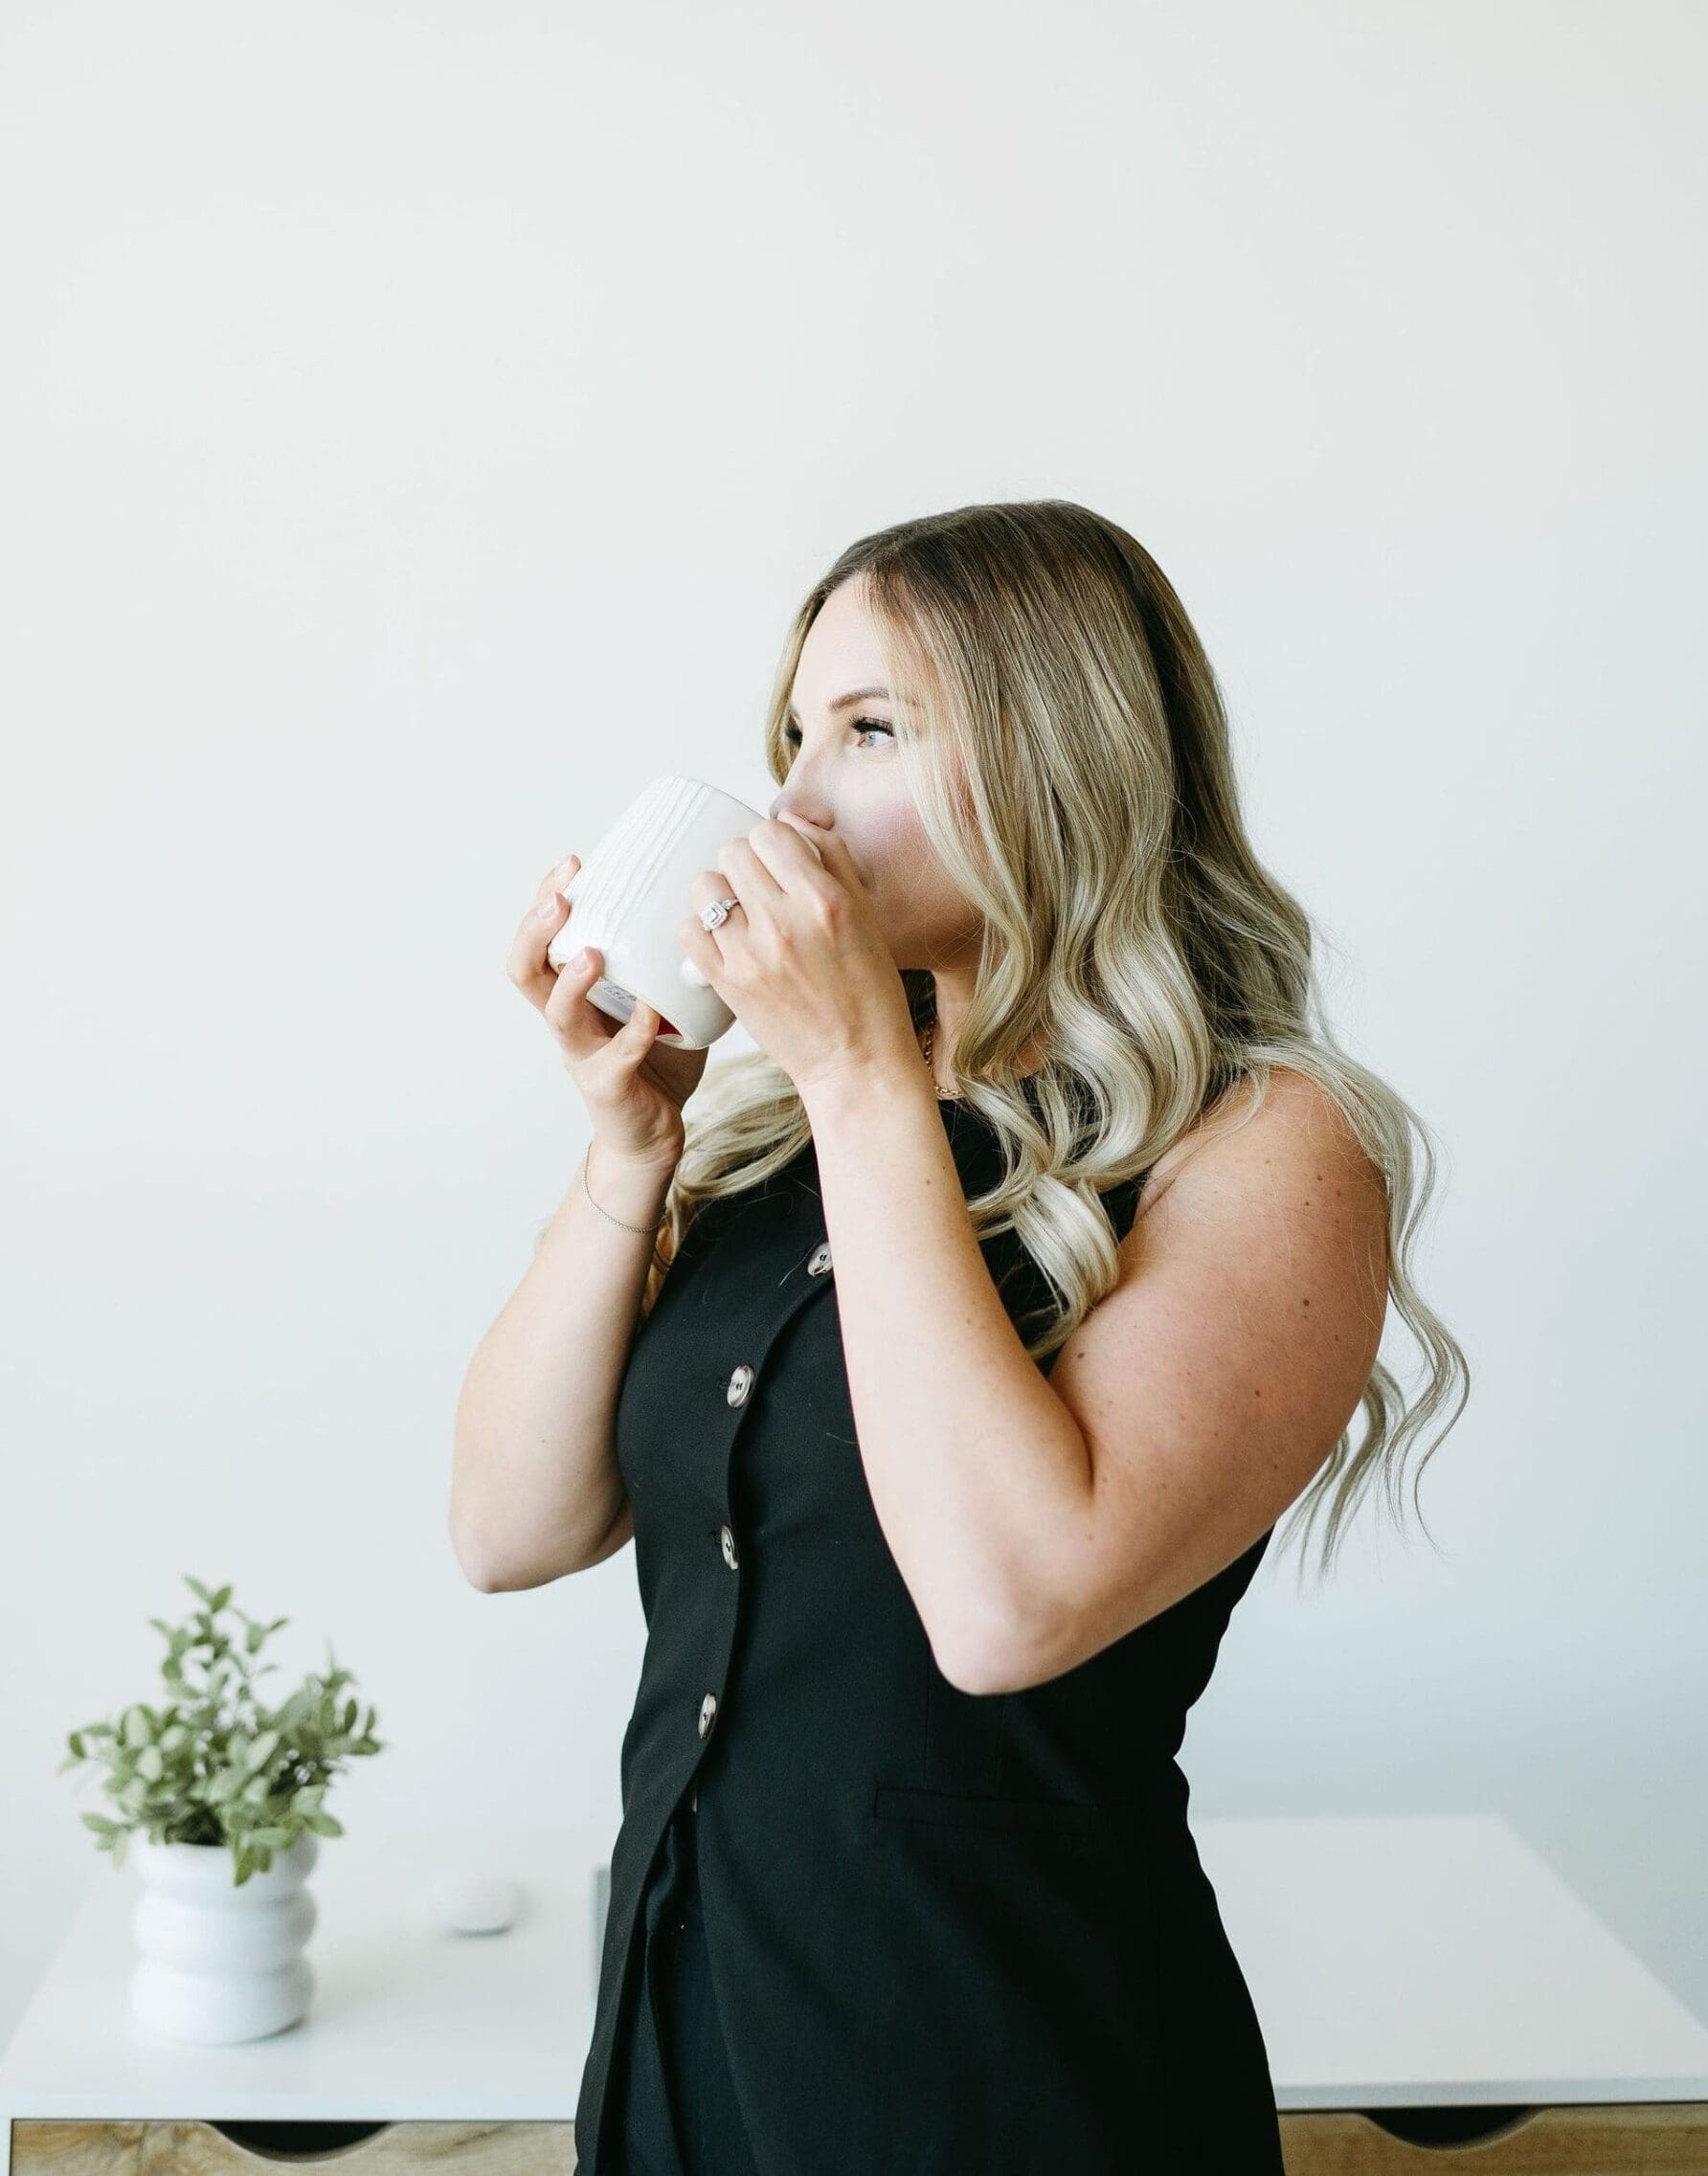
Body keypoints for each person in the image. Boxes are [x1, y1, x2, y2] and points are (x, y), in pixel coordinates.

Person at [458, 498, 1471, 2175]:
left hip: (1004, 2084)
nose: (792, 800)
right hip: (680, 2063)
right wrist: (630, 1152)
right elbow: (504, 1529)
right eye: (794, 732)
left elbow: (1008, 1608)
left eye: (868, 731)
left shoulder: (1263, 1145)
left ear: (1055, 760)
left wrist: (859, 1073)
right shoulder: (785, 1138)